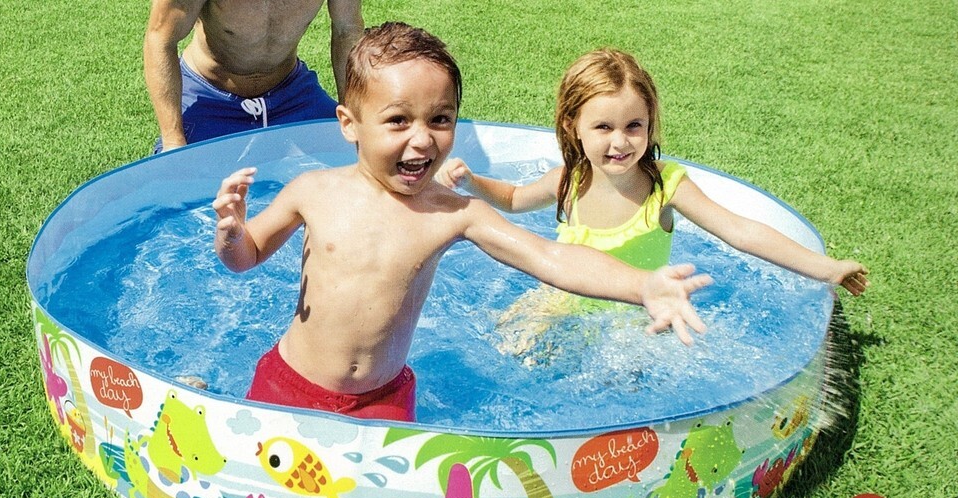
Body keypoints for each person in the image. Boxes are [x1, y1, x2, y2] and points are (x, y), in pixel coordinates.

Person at [213, 23, 713, 422]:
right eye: (398, 120)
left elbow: (549, 257)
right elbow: (244, 259)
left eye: (440, 119)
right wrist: (233, 234)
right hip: (290, 382)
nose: (422, 138)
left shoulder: (453, 212)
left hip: (382, 399)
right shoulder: (313, 191)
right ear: (349, 123)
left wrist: (640, 285)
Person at [437, 48, 869, 328]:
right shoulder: (569, 179)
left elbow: (740, 231)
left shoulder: (665, 187)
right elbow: (515, 199)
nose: (620, 142)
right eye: (603, 127)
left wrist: (825, 267)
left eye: (634, 126)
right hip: (563, 301)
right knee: (506, 338)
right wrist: (472, 182)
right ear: (573, 127)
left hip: (636, 313)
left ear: (649, 123)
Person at [145, 0, 364, 153]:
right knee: (178, 189)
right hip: (209, 98)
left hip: (292, 95)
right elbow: (160, 38)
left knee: (360, 158)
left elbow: (347, 31)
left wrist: (353, 114)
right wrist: (173, 140)